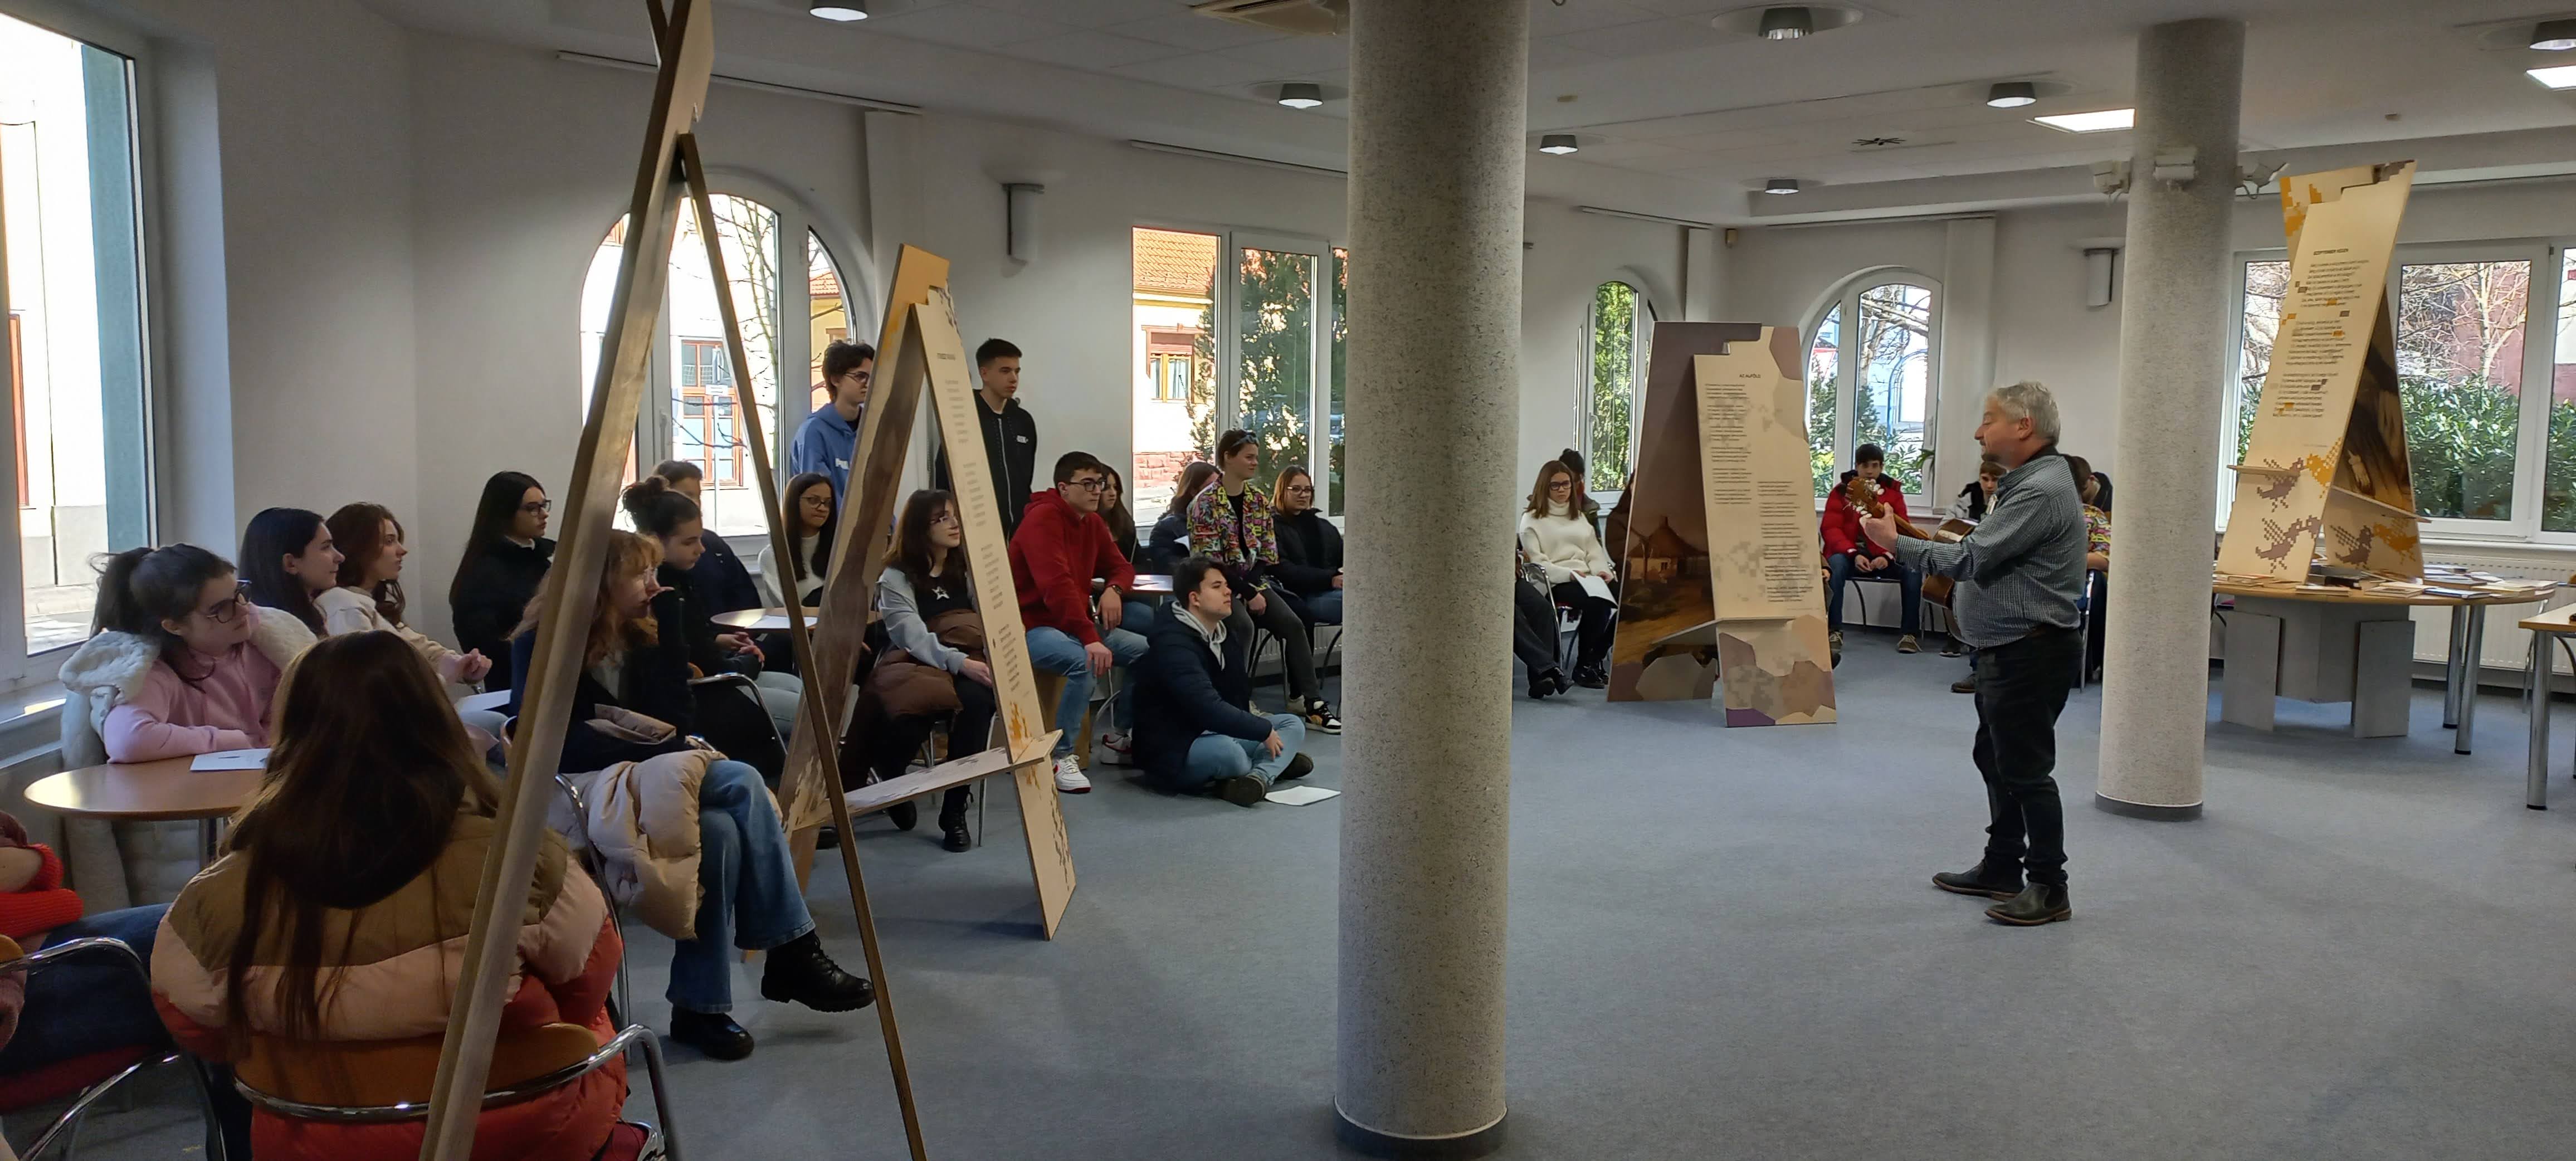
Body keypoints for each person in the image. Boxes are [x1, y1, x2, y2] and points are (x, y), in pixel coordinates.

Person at [149, 631, 631, 1160]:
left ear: (290, 733)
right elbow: (588, 983)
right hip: (519, 1131)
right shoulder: (521, 860)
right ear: (437, 723)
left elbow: (200, 1028)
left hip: (312, 1142)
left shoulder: (216, 896)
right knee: (591, 1020)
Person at [510, 531, 874, 1060]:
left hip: (653, 781)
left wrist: (670, 635)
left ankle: (700, 1007)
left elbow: (677, 724)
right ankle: (792, 950)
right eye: (641, 574)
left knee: (720, 833)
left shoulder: (644, 636)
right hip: (586, 793)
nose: (653, 585)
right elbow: (553, 744)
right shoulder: (541, 643)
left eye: (654, 573)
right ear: (600, 581)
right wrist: (641, 741)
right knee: (743, 781)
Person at [1864, 380, 2087, 927]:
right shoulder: (2026, 482)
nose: (1977, 432)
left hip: (2030, 651)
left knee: (2027, 771)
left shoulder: (2039, 490)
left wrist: (1894, 543)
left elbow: (1970, 558)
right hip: (2009, 648)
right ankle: (2001, 865)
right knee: (1996, 760)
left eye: (1988, 420)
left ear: (2024, 426)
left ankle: (2049, 887)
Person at [61, 545, 314, 764]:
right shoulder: (155, 670)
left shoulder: (263, 646)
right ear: (174, 626)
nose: (243, 610)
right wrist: (237, 741)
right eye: (220, 609)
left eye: (240, 593)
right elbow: (128, 741)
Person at [621, 477, 801, 773]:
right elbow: (704, 664)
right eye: (689, 542)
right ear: (655, 540)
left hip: (716, 679)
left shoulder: (683, 580)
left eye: (700, 539)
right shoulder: (664, 594)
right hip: (707, 695)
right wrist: (750, 661)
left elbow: (695, 640)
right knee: (810, 713)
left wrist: (719, 641)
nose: (702, 550)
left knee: (796, 687)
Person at [1009, 451, 1153, 793]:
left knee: (1149, 652)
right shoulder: (1043, 520)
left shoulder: (1092, 523)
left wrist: (1114, 590)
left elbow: (1122, 567)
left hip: (1073, 625)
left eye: (1099, 483)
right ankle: (1061, 756)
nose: (1097, 490)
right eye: (1087, 484)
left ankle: (1119, 737)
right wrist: (1091, 637)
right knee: (1083, 661)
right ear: (1063, 488)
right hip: (1031, 627)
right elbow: (1056, 589)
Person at [867, 490, 996, 851]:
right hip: (919, 659)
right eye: (942, 518)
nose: (954, 524)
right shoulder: (896, 576)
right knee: (917, 708)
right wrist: (961, 663)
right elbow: (912, 637)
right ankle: (893, 777)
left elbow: (988, 616)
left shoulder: (965, 565)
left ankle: (955, 808)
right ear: (920, 528)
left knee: (977, 702)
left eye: (955, 515)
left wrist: (988, 657)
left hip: (968, 655)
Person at [1188, 430, 1343, 731]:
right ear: (1227, 458)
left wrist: (1252, 588)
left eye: (1256, 457)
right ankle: (1238, 699)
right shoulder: (1204, 504)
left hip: (1253, 581)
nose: (1254, 463)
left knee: (1294, 623)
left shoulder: (1257, 500)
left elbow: (1267, 553)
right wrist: (1246, 592)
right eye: (1248, 457)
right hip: (1217, 585)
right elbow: (1209, 561)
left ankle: (1310, 703)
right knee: (1243, 625)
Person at [315, 503, 505, 743]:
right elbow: (368, 692)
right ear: (358, 548)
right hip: (381, 736)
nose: (402, 551)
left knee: (496, 725)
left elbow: (420, 648)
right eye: (389, 541)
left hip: (403, 723)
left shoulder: (368, 603)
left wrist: (462, 665)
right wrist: (444, 679)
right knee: (496, 729)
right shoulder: (344, 604)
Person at [1135, 557, 1312, 805]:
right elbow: (1206, 707)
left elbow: (1237, 694)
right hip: (1175, 744)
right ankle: (1271, 765)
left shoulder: (1223, 633)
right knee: (1231, 755)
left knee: (1291, 724)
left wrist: (1258, 728)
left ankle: (1258, 778)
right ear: (1195, 598)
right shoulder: (1173, 645)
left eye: (1226, 585)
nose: (1228, 591)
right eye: (1217, 587)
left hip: (1214, 730)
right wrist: (1261, 731)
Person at [449, 471, 555, 690]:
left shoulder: (538, 559)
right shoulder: (483, 572)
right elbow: (484, 644)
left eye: (544, 506)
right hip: (515, 685)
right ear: (505, 512)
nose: (544, 514)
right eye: (532, 508)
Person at [1518, 460, 1617, 689]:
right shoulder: (1532, 519)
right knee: (1599, 603)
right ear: (1545, 487)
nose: (1562, 490)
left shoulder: (1578, 517)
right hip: (1556, 580)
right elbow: (1538, 562)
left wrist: (1601, 571)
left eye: (1566, 484)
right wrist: (1570, 574)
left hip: (1589, 577)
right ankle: (1584, 667)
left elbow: (1594, 552)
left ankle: (1594, 657)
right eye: (1555, 485)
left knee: (1630, 599)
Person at [1821, 443, 1924, 654]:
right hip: (1850, 556)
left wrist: (1887, 555)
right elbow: (1830, 529)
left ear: (1882, 467)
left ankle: (1909, 635)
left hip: (1884, 557)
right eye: (1865, 465)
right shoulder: (1840, 493)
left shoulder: (1893, 494)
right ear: (1857, 466)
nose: (1870, 471)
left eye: (1875, 466)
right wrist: (1854, 554)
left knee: (1913, 567)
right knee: (1835, 565)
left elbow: (1901, 530)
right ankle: (1834, 631)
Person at [934, 338, 1038, 536]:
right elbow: (945, 475)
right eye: (1005, 371)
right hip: (976, 530)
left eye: (1017, 371)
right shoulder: (964, 416)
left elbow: (1025, 476)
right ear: (984, 373)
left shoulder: (1023, 420)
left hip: (1019, 529)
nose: (1014, 379)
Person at [655, 459, 762, 616]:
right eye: (687, 496)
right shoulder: (650, 561)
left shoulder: (712, 543)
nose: (696, 504)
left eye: (698, 496)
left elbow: (745, 595)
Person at [237, 507, 343, 636]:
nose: (340, 557)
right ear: (290, 563)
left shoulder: (313, 613)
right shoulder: (271, 633)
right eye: (325, 547)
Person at [788, 339, 873, 496]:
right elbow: (817, 499)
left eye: (872, 377)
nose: (868, 384)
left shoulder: (871, 430)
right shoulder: (813, 432)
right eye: (860, 376)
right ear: (836, 380)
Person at [1270, 465, 1343, 626]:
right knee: (1357, 603)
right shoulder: (1271, 527)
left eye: (1307, 490)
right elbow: (1283, 570)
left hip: (1330, 592)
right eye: (1296, 489)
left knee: (1371, 597)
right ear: (1282, 491)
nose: (1303, 495)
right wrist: (1330, 579)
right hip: (1297, 598)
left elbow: (1346, 559)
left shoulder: (1325, 527)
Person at [759, 472, 840, 609]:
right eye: (813, 500)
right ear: (794, 502)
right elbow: (788, 609)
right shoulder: (772, 556)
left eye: (828, 503)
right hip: (802, 622)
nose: (822, 508)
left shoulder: (839, 549)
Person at [1143, 461, 1220, 575]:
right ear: (1193, 492)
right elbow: (1169, 567)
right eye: (1210, 488)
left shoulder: (1225, 521)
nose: (1217, 493)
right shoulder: (1168, 528)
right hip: (1193, 582)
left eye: (1219, 487)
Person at [1513, 549, 1570, 699]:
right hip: (1485, 580)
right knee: (1510, 613)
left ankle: (1540, 679)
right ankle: (1548, 670)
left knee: (1542, 608)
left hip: (1511, 577)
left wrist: (1515, 568)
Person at [1099, 464, 1139, 565]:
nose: (1113, 493)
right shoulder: (1085, 525)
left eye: (1115, 487)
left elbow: (1139, 561)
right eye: (1106, 488)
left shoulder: (1125, 523)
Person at [1948, 455, 2005, 523]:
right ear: (1979, 479)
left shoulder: (2010, 505)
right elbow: (1944, 528)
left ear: (2004, 481)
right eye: (1985, 479)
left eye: (1995, 480)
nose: (1989, 486)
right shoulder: (1963, 504)